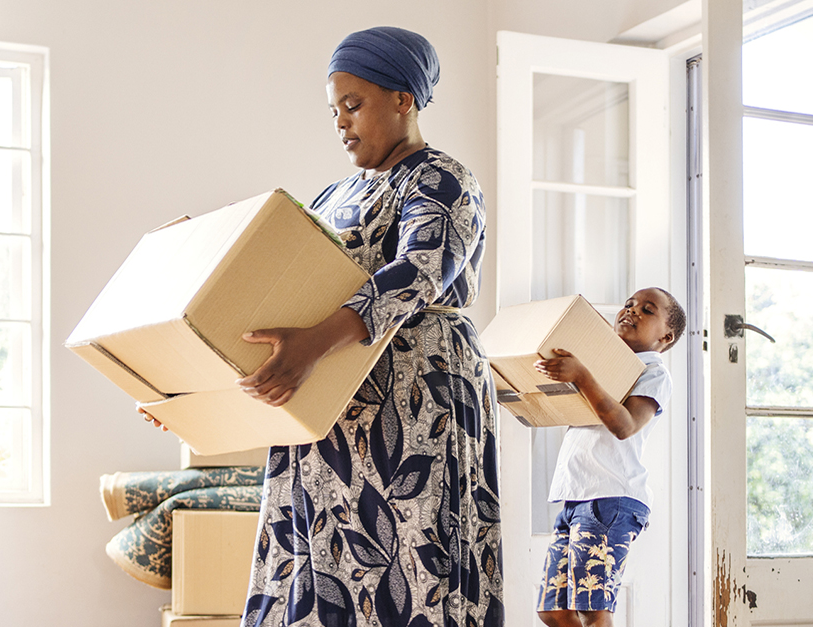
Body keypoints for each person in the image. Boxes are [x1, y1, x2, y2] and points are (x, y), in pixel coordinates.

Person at [229, 26, 501, 627]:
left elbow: (416, 272)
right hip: (329, 405)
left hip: (414, 399)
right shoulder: (334, 194)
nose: (341, 122)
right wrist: (189, 381)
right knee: (320, 557)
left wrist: (311, 348)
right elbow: (275, 280)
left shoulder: (442, 179)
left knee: (409, 555)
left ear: (404, 98)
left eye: (354, 105)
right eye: (334, 110)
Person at [532, 287, 686, 627]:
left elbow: (624, 424)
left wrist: (582, 376)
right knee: (553, 610)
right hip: (577, 496)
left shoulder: (653, 372)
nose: (631, 311)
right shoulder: (605, 368)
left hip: (610, 498)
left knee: (593, 610)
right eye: (629, 304)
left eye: (647, 310)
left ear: (666, 335)